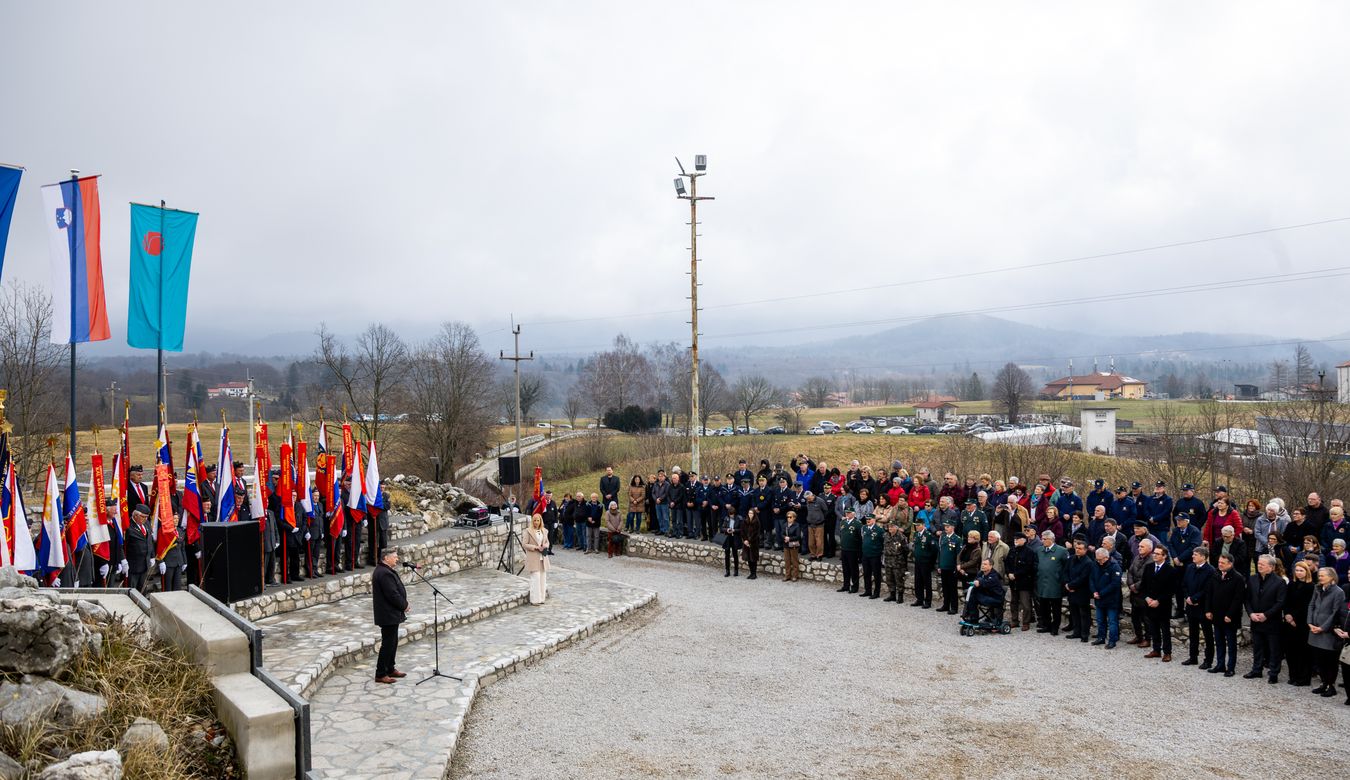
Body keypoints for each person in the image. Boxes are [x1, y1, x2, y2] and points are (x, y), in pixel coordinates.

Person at [1246, 554, 1288, 683]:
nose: (1259, 566)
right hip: (1255, 620)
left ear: (1271, 566)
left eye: (1262, 564)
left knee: (1274, 648)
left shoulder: (1279, 582)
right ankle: (1256, 669)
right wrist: (1251, 613)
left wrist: (1266, 615)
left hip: (1272, 621)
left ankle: (1274, 673)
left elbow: (1280, 602)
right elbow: (1247, 599)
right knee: (1257, 646)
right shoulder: (1252, 579)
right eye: (1258, 564)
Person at [1205, 553, 1247, 676]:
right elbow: (1209, 593)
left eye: (1222, 563)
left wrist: (1230, 614)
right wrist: (1208, 610)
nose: (1220, 565)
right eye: (1219, 562)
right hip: (1217, 615)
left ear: (1230, 564)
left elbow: (1238, 599)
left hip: (1229, 617)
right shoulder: (1215, 575)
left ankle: (1231, 667)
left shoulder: (1238, 578)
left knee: (1231, 642)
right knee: (1219, 641)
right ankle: (1220, 664)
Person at [372, 546, 409, 685]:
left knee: (393, 642)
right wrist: (404, 605)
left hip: (391, 613)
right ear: (386, 558)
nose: (397, 558)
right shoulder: (384, 573)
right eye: (394, 556)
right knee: (388, 643)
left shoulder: (385, 570)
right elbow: (392, 594)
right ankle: (381, 673)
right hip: (387, 614)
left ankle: (390, 667)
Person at [1307, 566, 1346, 696]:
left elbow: (1335, 612)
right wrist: (1310, 623)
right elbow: (1311, 605)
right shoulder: (1317, 588)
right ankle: (1323, 683)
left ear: (1331, 577)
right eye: (1319, 575)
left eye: (1323, 575)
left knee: (1330, 661)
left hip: (1327, 631)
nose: (1320, 577)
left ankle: (1331, 685)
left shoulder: (1338, 592)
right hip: (1314, 628)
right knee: (1318, 659)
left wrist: (1323, 627)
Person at [1181, 547, 1217, 668]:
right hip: (1190, 606)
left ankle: (1208, 660)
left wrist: (1195, 599)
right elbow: (1184, 584)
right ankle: (1193, 657)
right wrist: (1188, 597)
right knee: (1193, 632)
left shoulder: (1211, 570)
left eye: (1195, 555)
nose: (1193, 557)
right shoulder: (1190, 568)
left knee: (1207, 634)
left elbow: (1207, 589)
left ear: (1203, 556)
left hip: (1203, 606)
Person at [1281, 559, 1315, 687]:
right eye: (1297, 570)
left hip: (1302, 623)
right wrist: (1288, 615)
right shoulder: (1291, 584)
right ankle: (1293, 675)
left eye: (1302, 570)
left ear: (1307, 572)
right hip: (1289, 621)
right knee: (1290, 650)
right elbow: (1286, 601)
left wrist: (1294, 617)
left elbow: (1306, 605)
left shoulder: (1311, 586)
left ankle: (1303, 678)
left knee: (1303, 651)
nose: (1299, 572)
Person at [1141, 544, 1178, 662]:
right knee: (1153, 628)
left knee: (1165, 629)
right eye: (1154, 553)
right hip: (1150, 603)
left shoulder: (1170, 570)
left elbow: (1171, 590)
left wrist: (1159, 600)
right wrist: (1147, 598)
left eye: (1157, 554)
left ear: (1164, 556)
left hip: (1163, 605)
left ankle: (1167, 652)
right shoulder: (1149, 567)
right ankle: (1156, 649)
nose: (1155, 555)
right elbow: (1143, 586)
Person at [1035, 531, 1067, 635]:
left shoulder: (1061, 551)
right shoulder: (1039, 550)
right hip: (1042, 583)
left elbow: (1066, 567)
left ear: (1051, 539)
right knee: (1044, 607)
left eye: (1044, 539)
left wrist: (1061, 580)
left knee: (1056, 608)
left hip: (1055, 584)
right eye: (1042, 539)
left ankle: (1055, 627)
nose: (1042, 541)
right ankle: (1046, 625)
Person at [1063, 539, 1093, 642]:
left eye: (1080, 549)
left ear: (1085, 550)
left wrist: (1071, 585)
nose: (1077, 550)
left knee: (1084, 614)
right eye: (1076, 548)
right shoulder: (1071, 559)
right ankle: (1076, 632)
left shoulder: (1088, 562)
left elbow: (1083, 578)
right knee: (1074, 612)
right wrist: (1067, 584)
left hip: (1082, 591)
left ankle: (1084, 634)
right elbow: (1065, 571)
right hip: (1071, 591)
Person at [1006, 531, 1038, 630]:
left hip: (1024, 582)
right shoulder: (1012, 550)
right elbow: (1007, 563)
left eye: (1017, 539)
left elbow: (1029, 567)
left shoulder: (1029, 552)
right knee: (1013, 602)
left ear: (1023, 540)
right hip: (1013, 582)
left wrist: (1016, 574)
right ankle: (1015, 620)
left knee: (1026, 604)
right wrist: (1009, 573)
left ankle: (1026, 622)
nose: (1015, 541)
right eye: (1015, 539)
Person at [1126, 539, 1154, 646]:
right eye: (1139, 546)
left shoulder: (1151, 560)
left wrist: (1136, 586)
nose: (1139, 548)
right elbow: (1130, 572)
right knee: (1135, 617)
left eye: (1142, 547)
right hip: (1134, 593)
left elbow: (1146, 578)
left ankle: (1148, 639)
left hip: (1144, 593)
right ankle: (1138, 636)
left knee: (1146, 618)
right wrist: (1131, 584)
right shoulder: (1137, 557)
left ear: (1149, 548)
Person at [523, 514, 550, 604]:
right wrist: (535, 547)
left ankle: (541, 599)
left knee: (543, 579)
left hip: (543, 558)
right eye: (534, 520)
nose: (536, 522)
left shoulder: (544, 531)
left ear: (540, 521)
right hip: (533, 557)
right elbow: (525, 544)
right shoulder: (528, 531)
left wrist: (544, 546)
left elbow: (547, 542)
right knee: (535, 579)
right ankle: (534, 600)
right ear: (532, 521)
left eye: (538, 520)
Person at [936, 520, 963, 613]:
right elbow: (940, 553)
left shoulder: (957, 539)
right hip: (943, 566)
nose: (946, 528)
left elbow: (958, 555)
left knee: (952, 588)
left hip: (952, 567)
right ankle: (946, 605)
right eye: (945, 527)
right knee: (945, 587)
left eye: (948, 527)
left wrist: (957, 567)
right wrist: (939, 565)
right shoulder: (943, 537)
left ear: (953, 527)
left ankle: (954, 607)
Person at [882, 518, 911, 603]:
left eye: (892, 527)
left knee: (899, 580)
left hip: (898, 562)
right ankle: (892, 595)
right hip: (888, 561)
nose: (890, 528)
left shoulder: (901, 537)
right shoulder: (886, 535)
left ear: (897, 527)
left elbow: (906, 550)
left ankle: (900, 596)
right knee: (889, 579)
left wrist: (902, 560)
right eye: (889, 527)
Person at [910, 520, 937, 609]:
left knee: (927, 582)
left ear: (923, 525)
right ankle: (919, 599)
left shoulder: (928, 535)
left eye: (918, 525)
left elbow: (934, 550)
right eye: (916, 525)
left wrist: (930, 561)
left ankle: (928, 601)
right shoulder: (916, 535)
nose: (917, 527)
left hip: (926, 562)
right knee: (918, 581)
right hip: (918, 561)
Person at [837, 508, 863, 595]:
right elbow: (841, 534)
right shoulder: (843, 522)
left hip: (853, 549)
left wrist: (859, 551)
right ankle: (846, 585)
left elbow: (860, 538)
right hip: (844, 548)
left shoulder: (857, 523)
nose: (847, 514)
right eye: (846, 513)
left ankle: (855, 586)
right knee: (845, 569)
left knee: (853, 569)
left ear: (853, 514)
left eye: (849, 513)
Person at [859, 513, 885, 597]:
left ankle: (876, 592)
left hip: (875, 555)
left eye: (869, 519)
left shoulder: (879, 530)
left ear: (874, 520)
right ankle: (868, 591)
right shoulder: (864, 528)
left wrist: (879, 551)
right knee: (866, 573)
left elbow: (883, 542)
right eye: (867, 519)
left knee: (876, 574)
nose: (868, 521)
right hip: (865, 554)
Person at [783, 511, 804, 582]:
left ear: (794, 518)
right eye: (787, 517)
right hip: (786, 545)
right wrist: (785, 538)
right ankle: (787, 575)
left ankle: (795, 576)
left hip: (793, 545)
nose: (788, 518)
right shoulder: (785, 524)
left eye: (790, 517)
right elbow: (781, 533)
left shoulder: (797, 525)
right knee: (787, 561)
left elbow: (798, 536)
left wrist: (790, 539)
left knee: (794, 561)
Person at [720, 507, 742, 577]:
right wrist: (727, 529)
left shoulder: (739, 518)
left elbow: (741, 529)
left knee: (735, 555)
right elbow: (722, 528)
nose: (731, 516)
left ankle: (736, 570)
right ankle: (727, 571)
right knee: (727, 555)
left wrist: (734, 530)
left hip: (735, 538)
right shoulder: (726, 518)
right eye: (730, 514)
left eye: (732, 514)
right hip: (728, 538)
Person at [742, 508, 761, 580]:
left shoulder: (757, 522)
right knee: (749, 558)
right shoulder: (745, 521)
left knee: (753, 559)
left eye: (752, 513)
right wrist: (745, 540)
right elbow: (743, 531)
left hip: (754, 543)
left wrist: (749, 541)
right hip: (746, 543)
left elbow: (756, 533)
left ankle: (754, 574)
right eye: (749, 513)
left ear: (754, 514)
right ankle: (751, 573)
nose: (750, 514)